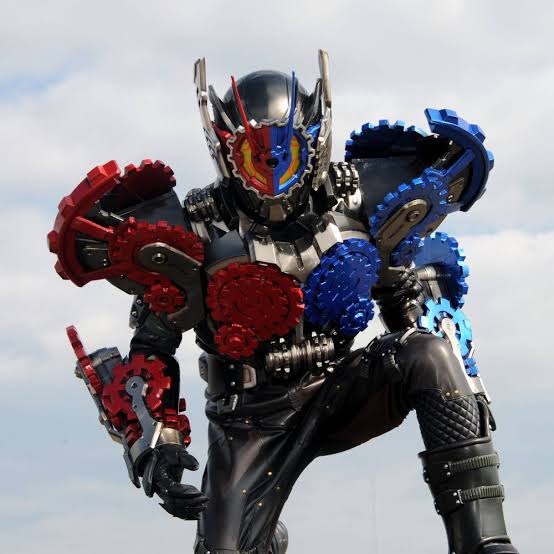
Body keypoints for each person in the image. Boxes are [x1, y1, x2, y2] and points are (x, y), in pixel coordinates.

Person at [48, 50, 519, 554]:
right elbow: (153, 345)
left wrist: (465, 392)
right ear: (227, 153)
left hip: (340, 388)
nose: (272, 170)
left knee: (427, 353)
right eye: (255, 157)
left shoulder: (358, 201)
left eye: (286, 154)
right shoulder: (196, 229)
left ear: (312, 145)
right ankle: (264, 537)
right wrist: (156, 446)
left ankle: (484, 541)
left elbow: (409, 298)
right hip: (248, 418)